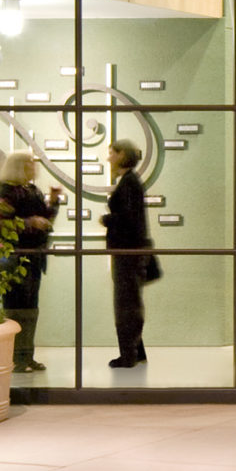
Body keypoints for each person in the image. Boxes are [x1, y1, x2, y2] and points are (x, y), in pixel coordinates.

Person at [0, 150, 62, 374]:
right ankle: (16, 358)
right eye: (30, 163)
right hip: (15, 260)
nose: (35, 166)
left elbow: (46, 222)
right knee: (16, 310)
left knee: (30, 310)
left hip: (32, 259)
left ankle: (26, 356)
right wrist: (30, 222)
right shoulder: (8, 192)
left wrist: (53, 202)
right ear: (20, 166)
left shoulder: (32, 191)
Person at [99, 138, 154, 368]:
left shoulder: (129, 182)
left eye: (112, 153)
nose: (108, 158)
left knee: (126, 304)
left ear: (122, 155)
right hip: (131, 252)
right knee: (130, 302)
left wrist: (107, 219)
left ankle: (129, 354)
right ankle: (136, 351)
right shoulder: (131, 181)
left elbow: (128, 219)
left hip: (127, 254)